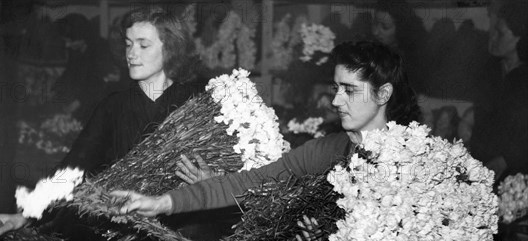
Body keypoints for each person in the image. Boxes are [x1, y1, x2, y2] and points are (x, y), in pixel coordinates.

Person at [112, 41, 421, 220]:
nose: (336, 100)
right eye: (336, 88)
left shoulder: (417, 161)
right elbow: (251, 182)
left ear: (383, 94)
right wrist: (161, 203)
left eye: (350, 91)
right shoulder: (327, 149)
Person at [0, 6, 202, 236]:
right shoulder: (113, 107)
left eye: (143, 45)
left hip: (184, 236)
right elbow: (74, 167)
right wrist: (27, 214)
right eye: (128, 44)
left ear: (170, 50)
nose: (131, 53)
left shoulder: (193, 103)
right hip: (128, 234)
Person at [471, 0, 528, 180]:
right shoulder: (491, 71)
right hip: (484, 164)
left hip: (516, 172)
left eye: (501, 33)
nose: (493, 37)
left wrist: (506, 159)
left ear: (521, 37)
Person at [370, 0, 428, 94]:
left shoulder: (411, 60)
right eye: (375, 24)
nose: (375, 32)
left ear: (401, 29)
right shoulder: (373, 47)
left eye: (385, 27)